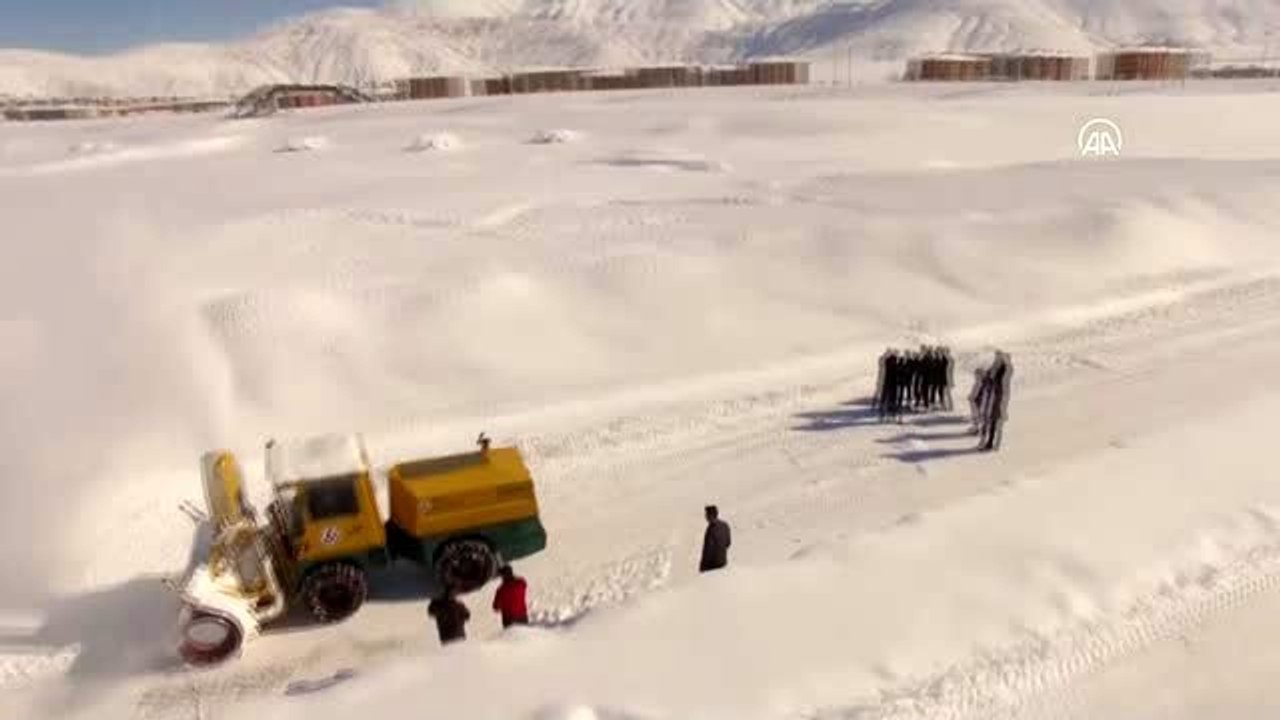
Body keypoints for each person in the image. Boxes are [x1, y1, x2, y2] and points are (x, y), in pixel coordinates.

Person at [980, 351, 1013, 451]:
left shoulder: (1006, 369)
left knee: (998, 422)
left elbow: (1000, 380)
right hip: (993, 397)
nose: (997, 358)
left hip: (1000, 398)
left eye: (999, 356)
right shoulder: (997, 368)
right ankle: (988, 442)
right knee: (992, 420)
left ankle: (995, 444)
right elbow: (989, 378)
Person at [699, 505, 732, 573]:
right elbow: (728, 543)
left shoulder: (711, 529)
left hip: (712, 567)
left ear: (710, 515)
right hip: (723, 563)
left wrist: (702, 568)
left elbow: (708, 550)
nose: (705, 516)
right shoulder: (725, 525)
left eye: (706, 514)